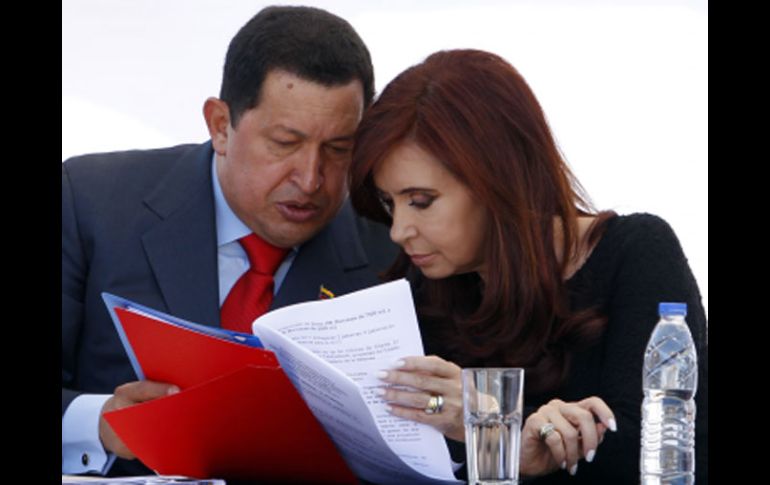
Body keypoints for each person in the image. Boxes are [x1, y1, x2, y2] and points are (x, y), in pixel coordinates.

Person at [62, 6, 398, 477]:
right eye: (285, 143)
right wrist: (98, 423)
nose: (310, 179)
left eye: (339, 149)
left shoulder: (393, 251)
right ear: (220, 125)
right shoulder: (90, 201)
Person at [349, 49, 708, 484]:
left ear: (498, 181)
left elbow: (666, 457)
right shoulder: (426, 288)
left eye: (421, 201)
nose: (398, 230)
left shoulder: (636, 253)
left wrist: (485, 417)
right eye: (390, 203)